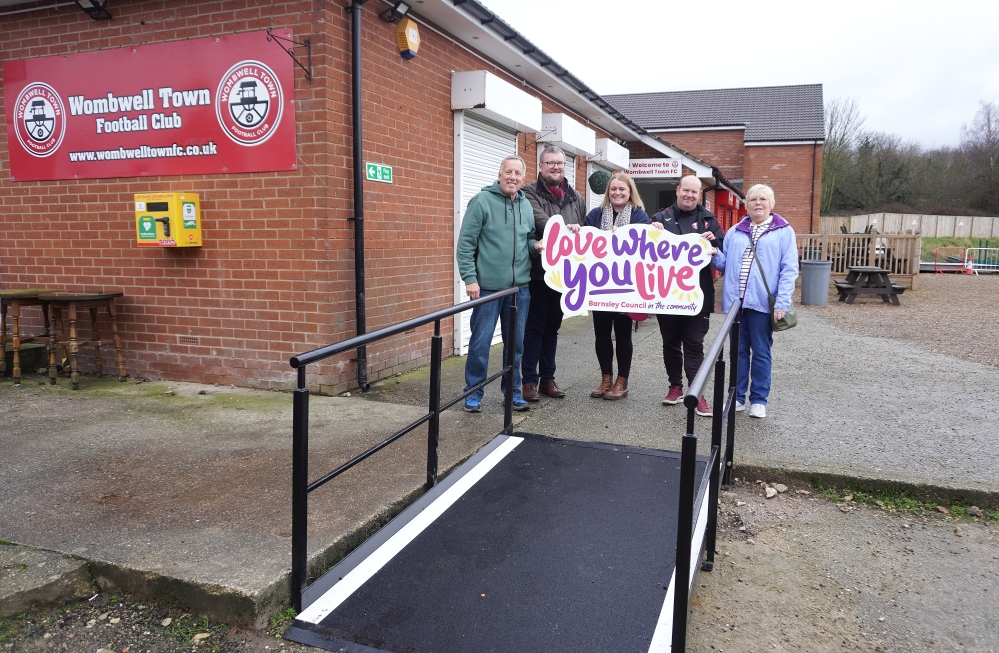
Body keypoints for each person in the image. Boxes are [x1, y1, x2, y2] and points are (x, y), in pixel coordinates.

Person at [456, 155, 539, 413]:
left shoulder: (526, 206)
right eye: (508, 172)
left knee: (516, 345)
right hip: (488, 288)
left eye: (517, 173)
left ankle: (512, 393)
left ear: (523, 179)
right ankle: (473, 394)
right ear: (500, 174)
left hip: (519, 289)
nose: (512, 177)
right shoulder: (481, 201)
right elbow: (465, 244)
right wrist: (470, 278)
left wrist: (535, 247)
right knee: (481, 343)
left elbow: (528, 240)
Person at [712, 183, 799, 418]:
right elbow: (725, 264)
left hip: (761, 305)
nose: (757, 203)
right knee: (738, 352)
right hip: (736, 305)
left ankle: (759, 399)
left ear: (771, 204)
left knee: (761, 352)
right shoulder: (735, 231)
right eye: (753, 199)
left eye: (762, 199)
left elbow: (789, 269)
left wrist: (781, 302)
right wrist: (713, 254)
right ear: (746, 204)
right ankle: (737, 397)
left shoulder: (783, 231)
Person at [651, 175, 724, 417]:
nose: (690, 195)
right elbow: (644, 253)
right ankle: (675, 387)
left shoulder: (709, 220)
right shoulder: (660, 218)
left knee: (694, 345)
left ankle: (697, 393)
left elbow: (723, 254)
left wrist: (714, 246)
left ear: (699, 195)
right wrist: (653, 233)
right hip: (667, 295)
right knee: (670, 344)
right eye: (686, 190)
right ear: (677, 190)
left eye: (695, 192)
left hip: (698, 296)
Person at [520, 146, 588, 402]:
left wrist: (578, 229)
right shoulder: (529, 192)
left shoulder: (576, 197)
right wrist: (565, 226)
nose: (556, 167)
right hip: (539, 274)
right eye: (550, 163)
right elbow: (540, 221)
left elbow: (583, 229)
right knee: (534, 329)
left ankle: (548, 378)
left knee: (552, 329)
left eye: (560, 163)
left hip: (564, 275)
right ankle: (528, 382)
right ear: (541, 166)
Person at [583, 172, 650, 400]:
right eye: (613, 189)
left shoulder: (640, 216)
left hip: (626, 286)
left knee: (623, 335)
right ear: (607, 192)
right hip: (600, 285)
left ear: (630, 191)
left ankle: (622, 381)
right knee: (601, 334)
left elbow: (645, 246)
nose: (617, 193)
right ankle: (605, 379)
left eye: (622, 189)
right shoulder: (596, 214)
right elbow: (583, 243)